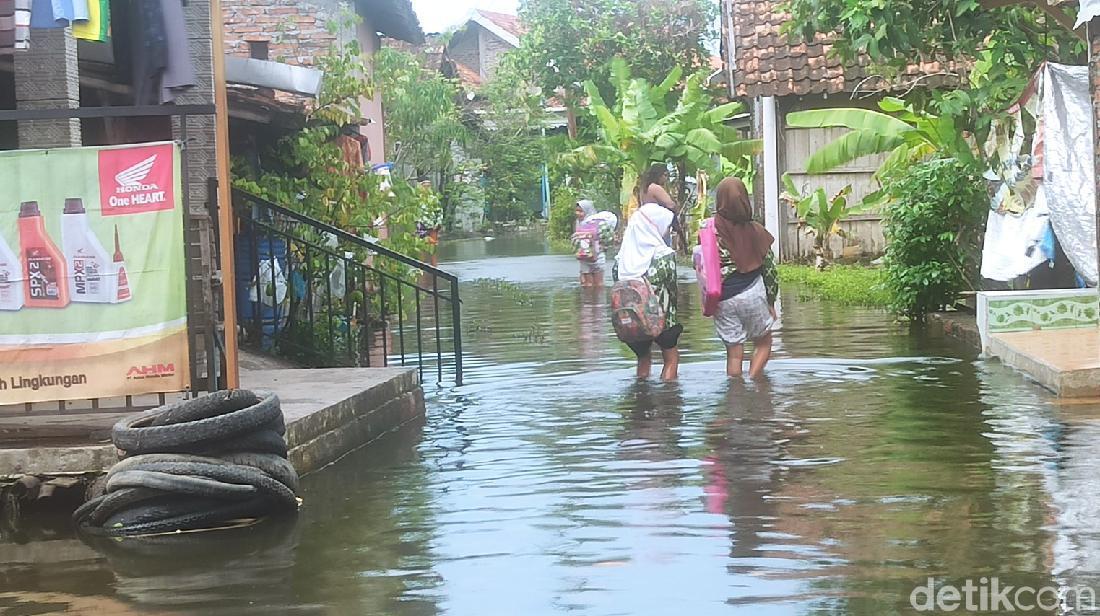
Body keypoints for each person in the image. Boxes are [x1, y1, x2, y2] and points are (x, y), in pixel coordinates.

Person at [712, 177, 779, 379]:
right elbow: (770, 272)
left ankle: (737, 394)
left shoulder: (711, 231)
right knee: (764, 343)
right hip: (752, 293)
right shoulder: (755, 231)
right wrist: (770, 302)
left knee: (734, 354)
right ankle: (753, 379)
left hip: (722, 299)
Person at [613, 202, 682, 381]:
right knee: (671, 358)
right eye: (666, 227)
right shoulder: (664, 256)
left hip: (631, 321)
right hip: (661, 319)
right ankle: (669, 400)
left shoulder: (621, 259)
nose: (667, 232)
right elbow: (672, 290)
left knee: (643, 359)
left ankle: (641, 398)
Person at [639, 163, 688, 251]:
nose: (666, 179)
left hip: (646, 223)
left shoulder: (644, 189)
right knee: (662, 249)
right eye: (665, 175)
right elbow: (670, 205)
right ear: (659, 175)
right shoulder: (655, 188)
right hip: (659, 223)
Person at [572, 199, 616, 287]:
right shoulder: (578, 223)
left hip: (597, 257)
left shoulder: (598, 223)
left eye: (581, 211)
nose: (577, 213)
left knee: (597, 284)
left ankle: (596, 301)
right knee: (588, 284)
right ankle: (590, 301)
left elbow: (605, 238)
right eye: (577, 210)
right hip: (584, 258)